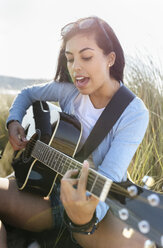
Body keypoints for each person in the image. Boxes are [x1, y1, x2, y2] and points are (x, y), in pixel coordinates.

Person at [2, 16, 149, 248]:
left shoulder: (133, 112)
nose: (75, 67)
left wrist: (85, 215)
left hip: (95, 207)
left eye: (86, 57)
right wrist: (13, 121)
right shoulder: (69, 92)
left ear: (110, 58)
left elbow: (108, 177)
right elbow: (27, 94)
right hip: (49, 190)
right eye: (70, 59)